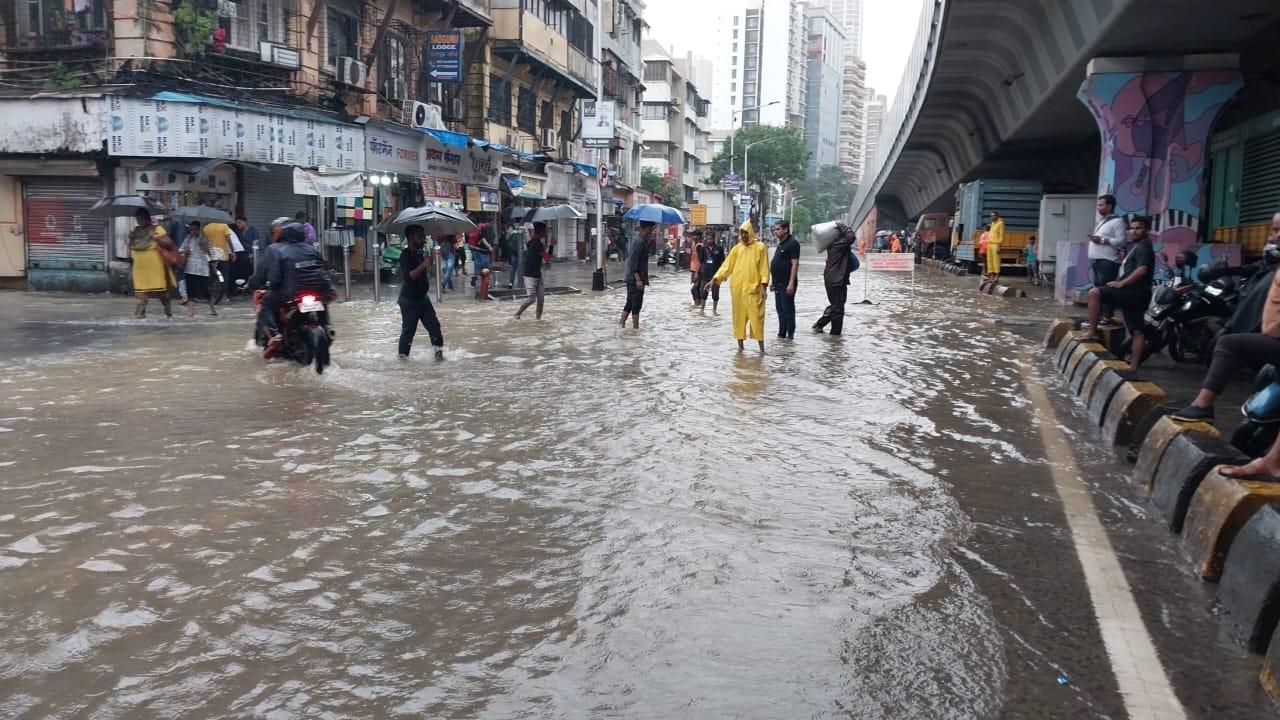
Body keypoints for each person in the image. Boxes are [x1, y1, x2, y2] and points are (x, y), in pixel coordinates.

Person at [1173, 213, 1280, 423]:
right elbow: (1250, 269)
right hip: (1266, 329)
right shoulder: (1269, 265)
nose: (1272, 236)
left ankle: (1202, 405)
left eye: (1277, 231)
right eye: (1273, 230)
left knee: (1229, 344)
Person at [1073, 216, 1156, 372]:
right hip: (1139, 294)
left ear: (1147, 230)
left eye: (1139, 228)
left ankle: (1091, 331)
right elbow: (1134, 267)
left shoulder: (1144, 247)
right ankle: (1133, 367)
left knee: (1095, 293)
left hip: (1133, 292)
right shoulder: (1139, 247)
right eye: (1132, 228)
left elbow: (1142, 270)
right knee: (1137, 331)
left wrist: (1121, 284)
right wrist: (1123, 260)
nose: (1134, 231)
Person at [261, 222, 337, 358]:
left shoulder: (278, 250)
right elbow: (325, 270)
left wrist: (265, 286)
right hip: (324, 290)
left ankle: (275, 335)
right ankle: (326, 325)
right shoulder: (313, 250)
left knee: (266, 302)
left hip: (292, 294)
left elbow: (275, 279)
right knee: (322, 301)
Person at [709, 220, 770, 353]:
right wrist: (715, 279)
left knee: (757, 318)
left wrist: (764, 286)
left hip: (754, 289)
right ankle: (740, 349)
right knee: (738, 318)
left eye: (746, 233)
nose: (744, 236)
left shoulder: (760, 247)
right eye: (741, 233)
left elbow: (764, 267)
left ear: (751, 233)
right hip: (737, 289)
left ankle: (762, 350)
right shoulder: (736, 249)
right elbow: (727, 266)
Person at [396, 225, 445, 359]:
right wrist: (423, 265)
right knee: (408, 333)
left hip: (423, 299)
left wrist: (427, 262)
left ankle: (439, 356)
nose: (423, 240)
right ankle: (402, 361)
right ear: (410, 238)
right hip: (409, 301)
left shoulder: (420, 253)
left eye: (424, 236)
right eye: (420, 236)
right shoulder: (405, 256)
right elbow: (409, 277)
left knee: (435, 327)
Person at [128, 208, 177, 319]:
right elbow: (131, 247)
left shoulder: (157, 229)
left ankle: (168, 313)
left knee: (162, 293)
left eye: (141, 219)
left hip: (155, 267)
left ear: (148, 219)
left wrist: (154, 236)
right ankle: (139, 317)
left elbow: (169, 243)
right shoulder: (136, 230)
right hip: (140, 268)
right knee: (141, 295)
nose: (139, 222)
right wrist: (130, 238)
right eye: (137, 219)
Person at [813, 223, 860, 336]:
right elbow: (851, 237)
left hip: (835, 278)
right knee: (838, 309)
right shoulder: (838, 245)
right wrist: (842, 225)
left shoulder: (835, 245)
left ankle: (820, 325)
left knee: (837, 304)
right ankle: (835, 338)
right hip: (836, 280)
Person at [619, 221, 656, 329]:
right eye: (652, 229)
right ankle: (635, 329)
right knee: (636, 305)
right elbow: (633, 261)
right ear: (648, 229)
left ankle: (621, 325)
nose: (653, 231)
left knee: (630, 303)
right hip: (635, 279)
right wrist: (638, 279)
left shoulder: (643, 241)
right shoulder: (639, 241)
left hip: (635, 278)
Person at [769, 220, 801, 340]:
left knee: (788, 309)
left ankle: (790, 336)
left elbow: (795, 264)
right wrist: (773, 281)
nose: (775, 232)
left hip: (787, 283)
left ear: (786, 229)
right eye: (775, 229)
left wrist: (791, 283)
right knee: (780, 310)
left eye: (778, 229)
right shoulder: (780, 244)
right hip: (778, 283)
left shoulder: (793, 243)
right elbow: (776, 264)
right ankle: (781, 333)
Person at [180, 221, 217, 317]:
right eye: (191, 229)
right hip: (190, 267)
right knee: (190, 290)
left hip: (202, 268)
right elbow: (181, 249)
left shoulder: (204, 238)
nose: (193, 231)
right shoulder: (187, 238)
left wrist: (205, 247)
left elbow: (211, 253)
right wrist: (184, 251)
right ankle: (190, 312)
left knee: (205, 290)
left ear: (199, 229)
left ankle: (212, 309)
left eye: (195, 230)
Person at [515, 222, 548, 320]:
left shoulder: (534, 242)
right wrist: (551, 245)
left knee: (541, 299)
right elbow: (547, 258)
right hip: (530, 275)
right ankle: (517, 314)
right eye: (545, 231)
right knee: (532, 299)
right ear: (541, 232)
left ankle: (538, 319)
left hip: (537, 274)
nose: (546, 233)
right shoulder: (536, 243)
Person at [202, 220, 235, 304]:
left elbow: (203, 243)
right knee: (224, 276)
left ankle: (210, 296)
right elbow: (228, 239)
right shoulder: (224, 226)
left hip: (211, 256)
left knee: (211, 276)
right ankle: (224, 296)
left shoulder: (206, 228)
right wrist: (233, 251)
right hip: (222, 256)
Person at [698, 235, 725, 313]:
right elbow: (701, 262)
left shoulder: (719, 249)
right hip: (705, 275)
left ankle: (714, 310)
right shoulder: (704, 249)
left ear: (714, 239)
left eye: (711, 239)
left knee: (715, 294)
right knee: (703, 293)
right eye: (708, 239)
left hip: (716, 275)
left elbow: (723, 262)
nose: (709, 240)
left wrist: (723, 275)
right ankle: (702, 309)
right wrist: (698, 272)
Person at [234, 215, 259, 292]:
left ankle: (250, 288)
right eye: (237, 223)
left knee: (251, 272)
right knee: (241, 272)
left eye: (240, 222)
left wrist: (252, 254)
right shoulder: (237, 232)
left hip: (250, 254)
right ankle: (241, 288)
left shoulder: (253, 231)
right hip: (240, 255)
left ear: (245, 222)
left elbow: (256, 243)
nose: (238, 224)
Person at [468, 222, 494, 286]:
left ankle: (475, 277)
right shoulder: (486, 228)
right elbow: (483, 239)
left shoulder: (478, 226)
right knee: (485, 267)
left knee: (478, 265)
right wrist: (489, 247)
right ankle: (486, 283)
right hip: (484, 251)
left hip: (476, 249)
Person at [986, 211, 1005, 282]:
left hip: (996, 244)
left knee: (996, 260)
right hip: (990, 244)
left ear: (997, 216)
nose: (992, 217)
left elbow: (1001, 235)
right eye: (991, 216)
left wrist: (999, 246)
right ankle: (991, 277)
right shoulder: (993, 223)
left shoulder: (1001, 223)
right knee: (989, 260)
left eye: (993, 216)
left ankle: (997, 277)